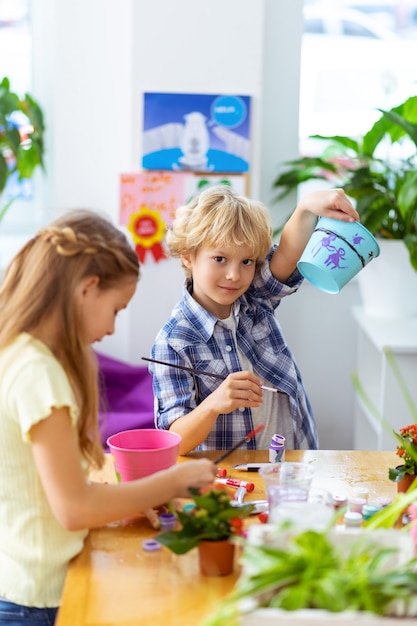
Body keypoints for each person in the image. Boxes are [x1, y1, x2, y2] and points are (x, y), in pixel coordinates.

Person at [0, 209, 217, 626]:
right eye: (117, 309)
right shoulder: (37, 373)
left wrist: (128, 501)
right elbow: (74, 508)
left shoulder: (20, 353)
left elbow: (48, 493)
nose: (114, 329)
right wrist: (172, 480)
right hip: (35, 599)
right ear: (88, 288)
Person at [149, 186, 359, 455]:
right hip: (232, 480)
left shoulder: (254, 298)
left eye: (247, 261)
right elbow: (174, 440)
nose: (234, 275)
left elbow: (285, 254)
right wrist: (214, 404)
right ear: (188, 256)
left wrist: (306, 208)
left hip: (293, 459)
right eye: (220, 259)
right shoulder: (174, 341)